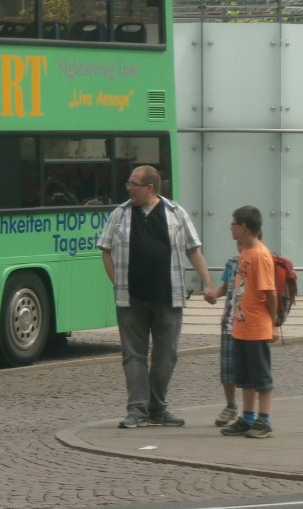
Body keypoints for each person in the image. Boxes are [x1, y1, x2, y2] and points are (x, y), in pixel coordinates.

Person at [98, 165, 213, 428]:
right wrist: (118, 283)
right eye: (128, 183)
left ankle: (158, 407)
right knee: (133, 355)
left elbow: (193, 249)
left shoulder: (175, 213)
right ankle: (137, 410)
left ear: (150, 188)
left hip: (168, 297)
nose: (128, 188)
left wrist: (207, 283)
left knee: (167, 355)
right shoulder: (121, 213)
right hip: (131, 299)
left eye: (133, 184)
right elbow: (105, 250)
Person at [218, 206, 277, 438]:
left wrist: (272, 324)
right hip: (241, 327)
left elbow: (270, 293)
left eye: (233, 224)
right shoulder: (245, 253)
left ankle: (264, 421)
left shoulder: (260, 255)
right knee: (245, 377)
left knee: (261, 376)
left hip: (256, 327)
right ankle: (248, 417)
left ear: (243, 227)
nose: (230, 228)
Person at [203, 252, 241, 427]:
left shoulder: (261, 258)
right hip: (229, 322)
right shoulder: (232, 261)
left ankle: (253, 413)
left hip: (252, 324)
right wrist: (213, 295)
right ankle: (231, 405)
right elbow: (225, 287)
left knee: (253, 370)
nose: (240, 246)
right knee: (227, 369)